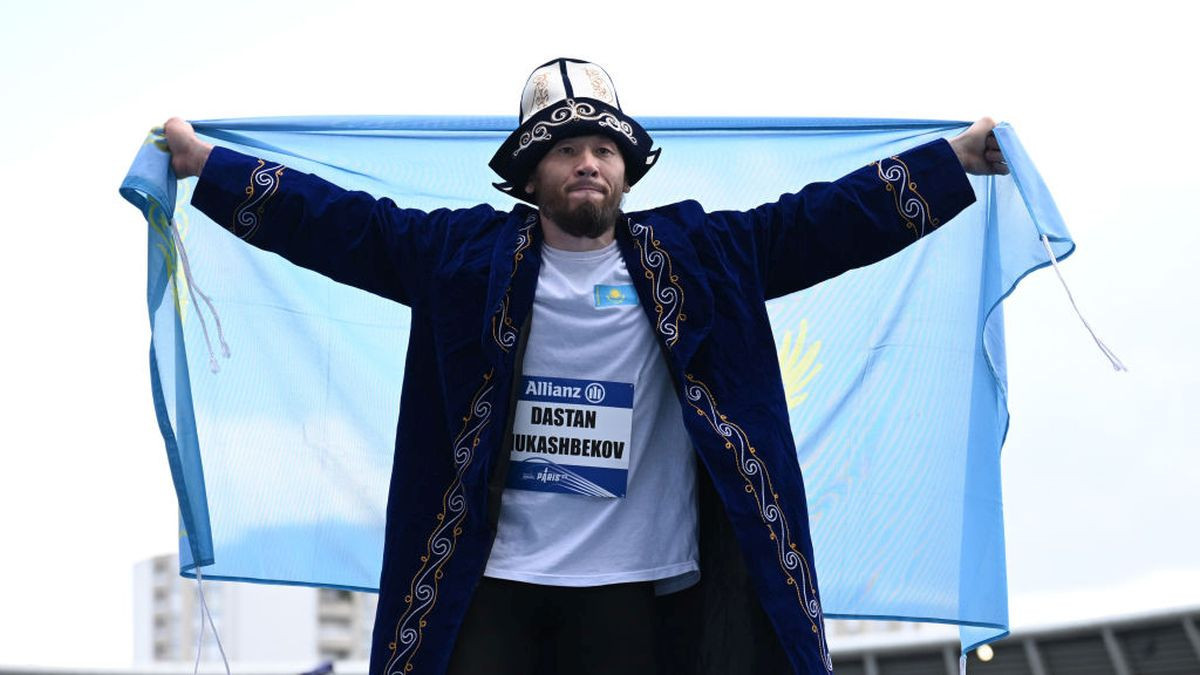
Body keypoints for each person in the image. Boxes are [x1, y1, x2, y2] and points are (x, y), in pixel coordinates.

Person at [162, 57, 1007, 675]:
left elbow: (828, 221)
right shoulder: (460, 256)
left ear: (628, 166)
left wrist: (956, 158)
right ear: (532, 174)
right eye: (565, 150)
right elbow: (340, 223)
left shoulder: (701, 254)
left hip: (632, 584)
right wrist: (208, 166)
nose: (588, 162)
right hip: (491, 577)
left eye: (604, 148)